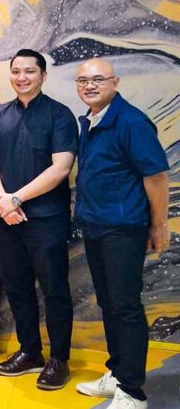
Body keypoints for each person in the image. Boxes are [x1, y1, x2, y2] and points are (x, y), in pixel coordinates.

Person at [0, 49, 78, 390]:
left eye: (29, 71)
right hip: (6, 219)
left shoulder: (60, 115)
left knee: (55, 290)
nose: (22, 77)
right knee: (17, 287)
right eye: (16, 71)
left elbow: (61, 168)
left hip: (46, 219)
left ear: (43, 76)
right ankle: (30, 352)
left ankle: (59, 359)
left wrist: (16, 198)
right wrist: (4, 202)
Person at [73, 58, 169, 409]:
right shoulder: (91, 120)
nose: (90, 85)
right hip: (96, 226)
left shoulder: (131, 122)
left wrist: (158, 226)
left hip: (123, 230)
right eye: (83, 80)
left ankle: (133, 391)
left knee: (125, 306)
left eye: (98, 79)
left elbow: (156, 177)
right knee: (109, 303)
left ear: (115, 82)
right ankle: (117, 373)